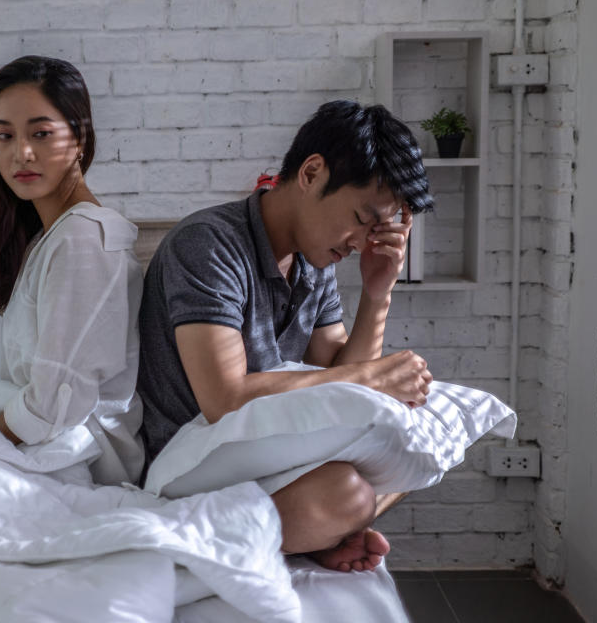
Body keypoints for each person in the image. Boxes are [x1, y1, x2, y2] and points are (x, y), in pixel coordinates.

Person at [137, 100, 436, 571]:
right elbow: (224, 397)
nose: (361, 243)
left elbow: (336, 375)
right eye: (362, 219)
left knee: (411, 457)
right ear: (312, 173)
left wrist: (379, 291)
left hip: (265, 450)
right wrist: (374, 379)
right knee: (349, 493)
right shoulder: (208, 244)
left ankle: (296, 534)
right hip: (193, 457)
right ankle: (187, 532)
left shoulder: (314, 262)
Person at [0, 55, 145, 485]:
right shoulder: (49, 237)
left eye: (41, 133)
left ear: (79, 137)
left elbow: (53, 408)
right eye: (4, 135)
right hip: (27, 441)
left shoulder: (83, 240)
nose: (21, 153)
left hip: (65, 458)